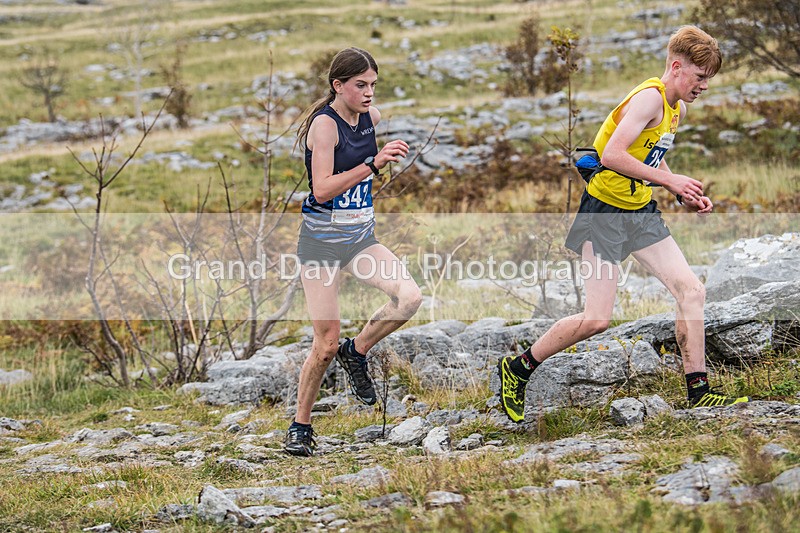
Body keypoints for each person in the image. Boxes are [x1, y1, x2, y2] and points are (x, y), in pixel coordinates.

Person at [498, 26, 749, 423]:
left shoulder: (675, 108)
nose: (704, 86)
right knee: (597, 319)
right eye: (700, 77)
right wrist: (670, 180)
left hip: (641, 212)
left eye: (709, 80)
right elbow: (612, 154)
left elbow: (649, 157)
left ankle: (698, 392)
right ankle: (518, 369)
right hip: (604, 214)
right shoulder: (649, 98)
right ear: (676, 66)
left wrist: (678, 189)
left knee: (691, 291)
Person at [285, 47, 423, 456]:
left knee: (410, 298)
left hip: (360, 239)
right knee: (324, 343)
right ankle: (301, 426)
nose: (368, 94)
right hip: (321, 245)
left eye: (373, 85)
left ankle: (357, 350)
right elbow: (322, 188)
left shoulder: (371, 118)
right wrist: (374, 164)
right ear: (338, 85)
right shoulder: (324, 127)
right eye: (360, 85)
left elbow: (366, 145)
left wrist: (374, 159)